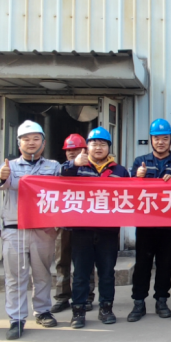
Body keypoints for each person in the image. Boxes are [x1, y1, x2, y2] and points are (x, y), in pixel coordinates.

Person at [0, 121, 62, 339]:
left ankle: (42, 311)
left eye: (35, 138)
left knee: (42, 273)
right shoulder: (9, 166)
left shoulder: (53, 166)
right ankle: (16, 318)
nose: (31, 143)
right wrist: (2, 177)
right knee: (16, 277)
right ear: (19, 143)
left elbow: (65, 191)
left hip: (43, 230)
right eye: (26, 139)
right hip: (15, 230)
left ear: (43, 142)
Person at [61, 127, 130, 328]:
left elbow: (131, 195)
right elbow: (57, 178)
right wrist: (73, 164)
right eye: (94, 144)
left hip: (108, 231)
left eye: (103, 144)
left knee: (107, 273)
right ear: (87, 146)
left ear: (109, 147)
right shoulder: (76, 167)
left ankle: (106, 309)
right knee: (81, 273)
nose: (98, 148)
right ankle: (78, 311)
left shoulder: (120, 171)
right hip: (82, 230)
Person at [127, 119, 171, 322]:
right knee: (142, 264)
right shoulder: (140, 162)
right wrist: (137, 177)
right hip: (145, 223)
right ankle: (138, 302)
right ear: (151, 140)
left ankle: (162, 300)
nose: (160, 142)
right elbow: (129, 191)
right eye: (156, 138)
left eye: (165, 138)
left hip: (169, 223)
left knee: (165, 264)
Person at [52, 134, 95, 313]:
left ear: (84, 150)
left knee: (85, 262)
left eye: (75, 149)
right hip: (63, 223)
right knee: (62, 261)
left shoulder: (91, 169)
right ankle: (62, 297)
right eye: (68, 150)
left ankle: (87, 296)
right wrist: (73, 164)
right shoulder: (60, 168)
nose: (71, 152)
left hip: (84, 224)